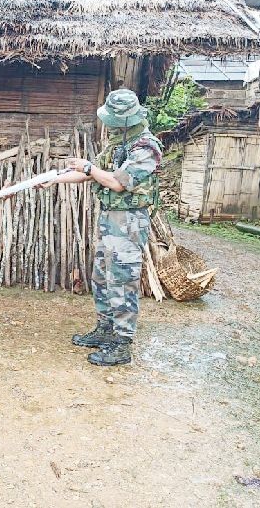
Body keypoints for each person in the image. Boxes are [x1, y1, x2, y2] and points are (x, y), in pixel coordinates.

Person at [41, 89, 162, 366]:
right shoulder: (120, 142)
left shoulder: (145, 147)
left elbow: (118, 182)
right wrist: (56, 179)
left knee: (122, 279)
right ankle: (105, 329)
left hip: (129, 220)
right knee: (102, 276)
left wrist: (87, 168)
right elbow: (95, 172)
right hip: (111, 218)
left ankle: (122, 343)